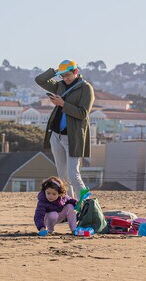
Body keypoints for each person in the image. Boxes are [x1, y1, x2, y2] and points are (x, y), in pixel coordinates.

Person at [35, 59, 95, 199]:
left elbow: (83, 114)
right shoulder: (60, 85)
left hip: (73, 137)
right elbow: (39, 80)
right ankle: (69, 206)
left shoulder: (86, 88)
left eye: (67, 75)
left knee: (73, 175)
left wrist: (62, 104)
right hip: (56, 135)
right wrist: (56, 71)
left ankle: (87, 204)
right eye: (62, 76)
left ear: (76, 72)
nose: (65, 78)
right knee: (62, 177)